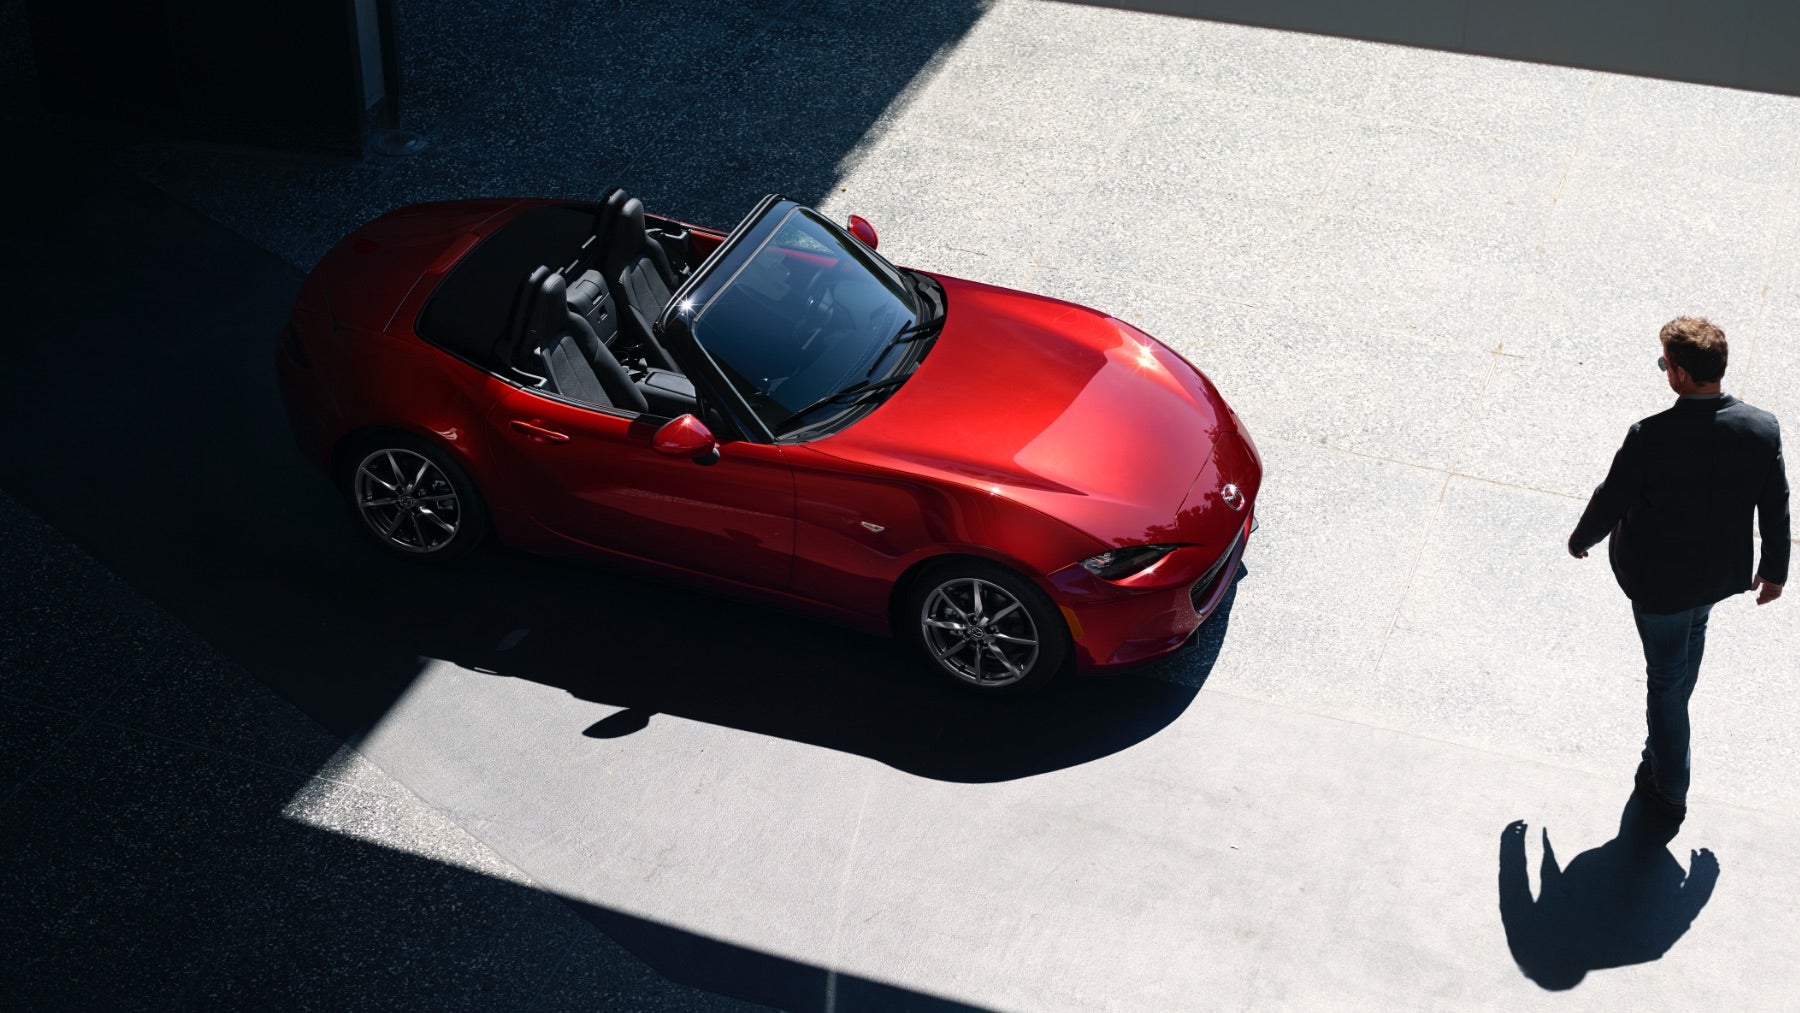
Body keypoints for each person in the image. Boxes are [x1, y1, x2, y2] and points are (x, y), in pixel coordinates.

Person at [1567, 316, 1788, 818]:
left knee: (1666, 682)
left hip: (1659, 584)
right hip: (1715, 577)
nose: (1664, 369)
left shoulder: (1650, 436)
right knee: (1684, 655)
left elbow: (1611, 499)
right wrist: (1774, 569)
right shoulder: (1760, 427)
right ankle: (1667, 740)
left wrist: (1582, 539)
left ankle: (1669, 783)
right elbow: (1776, 505)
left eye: (1665, 363)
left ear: (1681, 375)